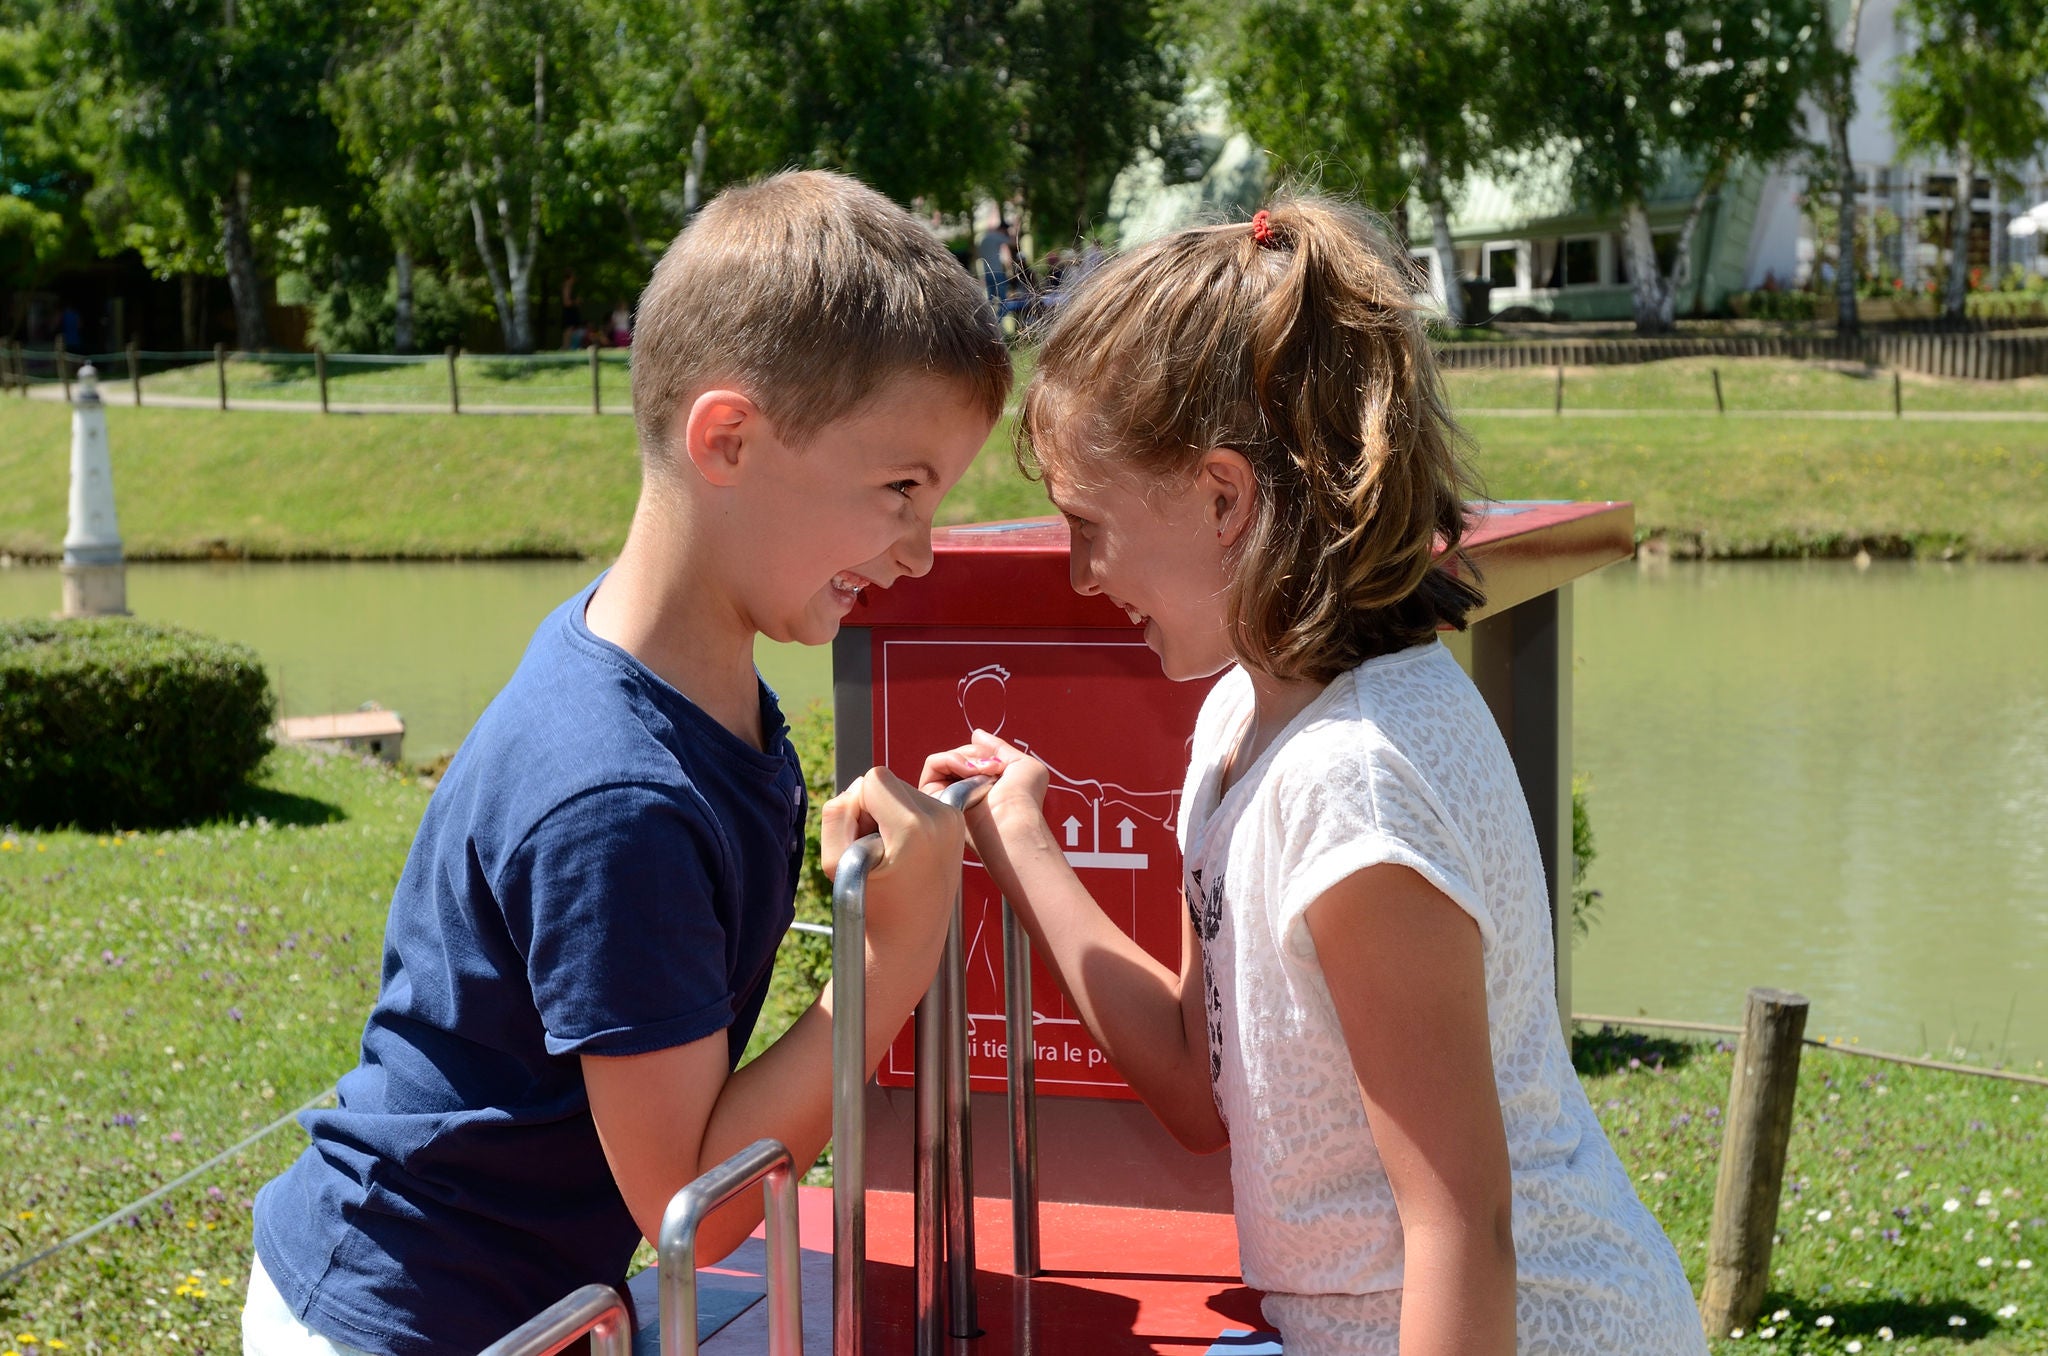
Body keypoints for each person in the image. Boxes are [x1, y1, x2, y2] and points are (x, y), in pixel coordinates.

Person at [920, 198, 1707, 1356]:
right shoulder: (1244, 717)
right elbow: (1202, 1082)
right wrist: (1020, 838)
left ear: (1223, 498)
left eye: (1090, 525)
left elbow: (1458, 1224)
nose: (1080, 575)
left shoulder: (1353, 780)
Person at [245, 170, 1012, 1356]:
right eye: (901, 491)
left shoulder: (680, 680)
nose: (919, 550)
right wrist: (888, 949)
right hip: (406, 1323)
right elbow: (688, 1211)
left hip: (515, 1302)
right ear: (728, 439)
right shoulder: (614, 794)